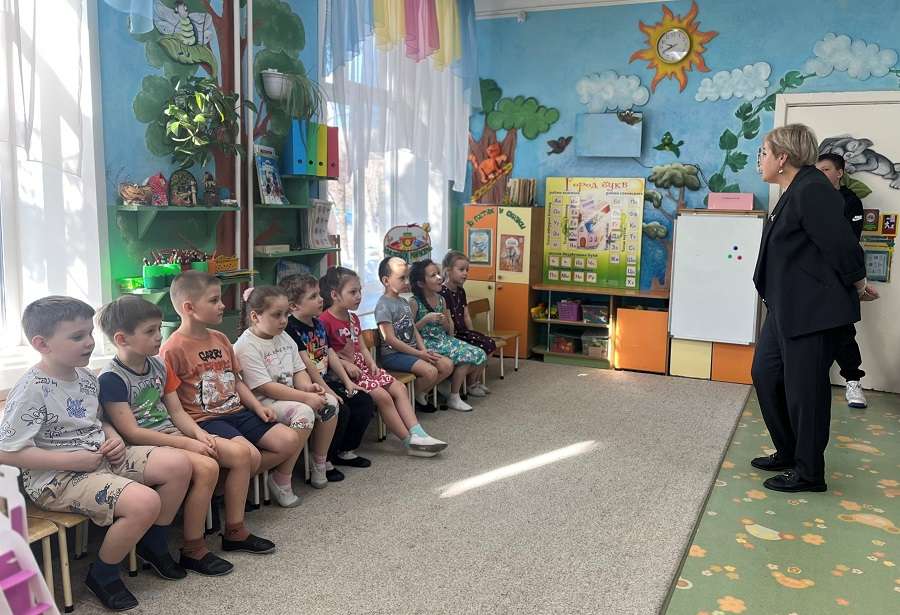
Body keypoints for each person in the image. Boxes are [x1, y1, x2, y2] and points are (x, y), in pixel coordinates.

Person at [0, 297, 192, 611]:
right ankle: (103, 575)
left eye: (89, 333)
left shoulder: (87, 376)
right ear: (42, 344)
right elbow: (5, 452)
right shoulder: (31, 390)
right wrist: (69, 460)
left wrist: (113, 436)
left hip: (100, 458)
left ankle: (153, 544)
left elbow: (98, 420)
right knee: (145, 502)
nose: (90, 342)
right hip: (57, 479)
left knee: (178, 464)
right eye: (77, 336)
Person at [751, 124, 878, 493]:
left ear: (782, 157)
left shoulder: (812, 189)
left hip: (813, 310)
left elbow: (842, 245)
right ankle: (789, 451)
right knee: (766, 374)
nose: (760, 160)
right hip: (786, 307)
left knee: (805, 392)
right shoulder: (793, 190)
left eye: (764, 153)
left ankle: (809, 472)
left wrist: (858, 284)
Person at [97, 295, 233, 577]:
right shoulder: (111, 378)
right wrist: (185, 443)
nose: (159, 336)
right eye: (150, 331)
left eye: (159, 328)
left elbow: (177, 411)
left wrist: (198, 433)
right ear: (122, 339)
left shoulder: (159, 364)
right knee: (207, 467)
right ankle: (185, 547)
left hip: (170, 434)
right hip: (142, 446)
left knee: (218, 455)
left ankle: (168, 541)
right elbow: (132, 432)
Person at [160, 270, 303, 519]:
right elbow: (173, 404)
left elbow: (236, 380)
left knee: (289, 440)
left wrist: (257, 407)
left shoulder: (220, 338)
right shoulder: (172, 349)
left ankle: (224, 484)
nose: (222, 305)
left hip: (237, 411)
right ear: (189, 307)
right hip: (206, 420)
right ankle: (228, 503)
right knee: (250, 456)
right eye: (214, 300)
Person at [317, 266, 448, 457]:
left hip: (363, 366)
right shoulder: (324, 320)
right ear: (335, 295)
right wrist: (346, 365)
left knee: (399, 388)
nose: (359, 296)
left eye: (360, 291)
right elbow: (325, 353)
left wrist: (371, 363)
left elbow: (361, 347)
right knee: (383, 396)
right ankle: (410, 443)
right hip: (343, 373)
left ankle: (419, 433)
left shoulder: (353, 318)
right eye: (353, 292)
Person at [234, 286, 339, 489]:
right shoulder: (246, 346)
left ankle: (319, 462)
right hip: (264, 403)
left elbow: (299, 370)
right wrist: (304, 397)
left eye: (286, 314)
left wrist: (308, 388)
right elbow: (266, 388)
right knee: (304, 413)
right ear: (255, 316)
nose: (284, 320)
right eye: (277, 315)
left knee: (330, 403)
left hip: (291, 396)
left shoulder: (283, 336)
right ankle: (282, 477)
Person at [281, 274, 376, 475]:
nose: (320, 299)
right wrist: (328, 391)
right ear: (294, 306)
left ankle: (345, 451)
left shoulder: (319, 324)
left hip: (327, 379)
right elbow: (307, 364)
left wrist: (347, 383)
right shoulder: (290, 328)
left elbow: (330, 353)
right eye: (313, 296)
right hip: (307, 384)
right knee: (341, 409)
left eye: (319, 294)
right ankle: (325, 458)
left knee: (363, 401)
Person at [815, 152, 868, 409]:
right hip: (812, 278)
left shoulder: (851, 201)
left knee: (843, 330)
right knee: (813, 332)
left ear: (840, 172)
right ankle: (810, 381)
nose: (820, 174)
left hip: (842, 276)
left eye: (826, 169)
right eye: (817, 170)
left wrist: (859, 283)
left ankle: (853, 382)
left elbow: (847, 242)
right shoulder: (809, 199)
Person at [375, 257, 452, 413]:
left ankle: (418, 394)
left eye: (407, 277)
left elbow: (413, 329)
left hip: (412, 351)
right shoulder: (383, 305)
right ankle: (405, 401)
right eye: (401, 278)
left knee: (447, 365)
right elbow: (390, 339)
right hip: (394, 355)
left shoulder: (403, 302)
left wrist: (423, 350)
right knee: (431, 372)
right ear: (386, 281)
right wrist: (419, 354)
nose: (406, 282)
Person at [410, 259, 487, 412]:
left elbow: (447, 327)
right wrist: (425, 320)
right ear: (421, 283)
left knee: (479, 353)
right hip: (426, 344)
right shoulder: (414, 302)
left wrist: (446, 323)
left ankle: (448, 384)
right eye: (433, 275)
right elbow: (410, 332)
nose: (439, 277)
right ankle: (453, 396)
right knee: (464, 357)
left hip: (443, 340)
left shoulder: (441, 299)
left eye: (438, 273)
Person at [440, 250, 496, 395]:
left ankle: (474, 380)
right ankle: (470, 384)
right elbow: (448, 320)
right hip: (453, 335)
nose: (465, 273)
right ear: (448, 271)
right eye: (461, 270)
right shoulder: (443, 292)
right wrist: (455, 339)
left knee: (489, 344)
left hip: (463, 331)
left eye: (467, 270)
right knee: (481, 347)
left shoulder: (461, 290)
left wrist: (472, 333)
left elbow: (466, 315)